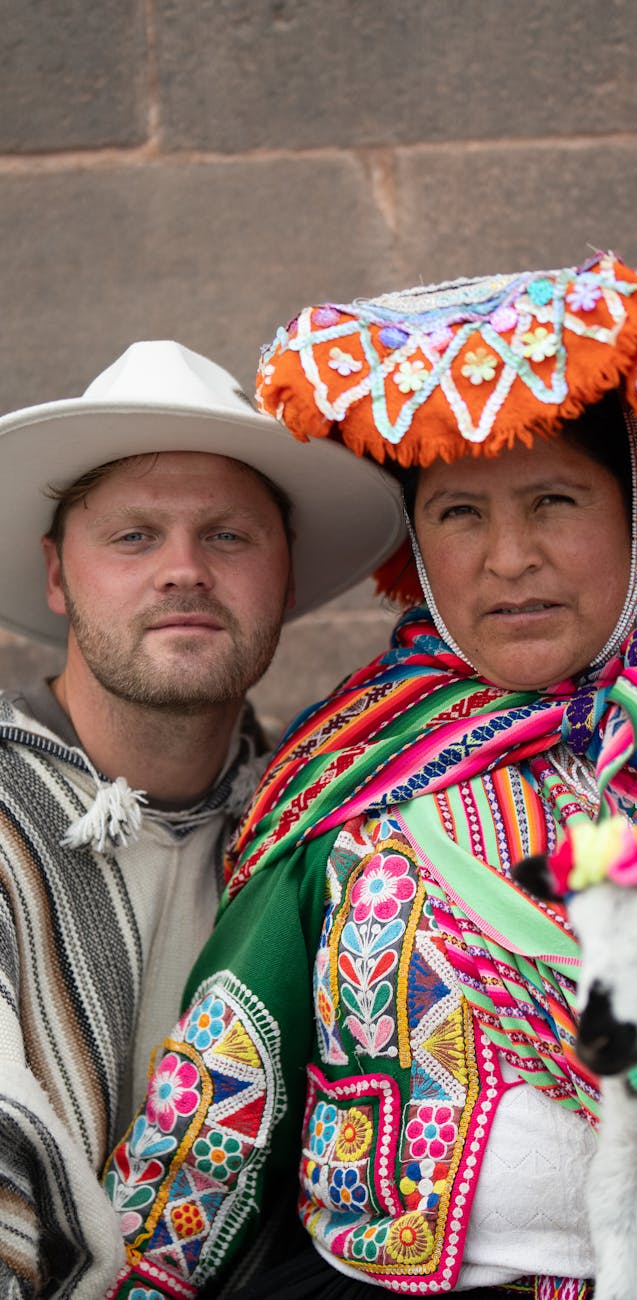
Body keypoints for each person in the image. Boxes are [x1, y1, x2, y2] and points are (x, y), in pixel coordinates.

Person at [105, 256, 637, 1299]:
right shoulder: (343, 772)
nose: (508, 557)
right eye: (458, 514)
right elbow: (221, 1079)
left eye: (553, 501)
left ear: (636, 523)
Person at [0, 339, 403, 1298]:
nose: (183, 570)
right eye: (134, 536)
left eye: (227, 536)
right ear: (60, 578)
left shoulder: (331, 826)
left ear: (287, 578)